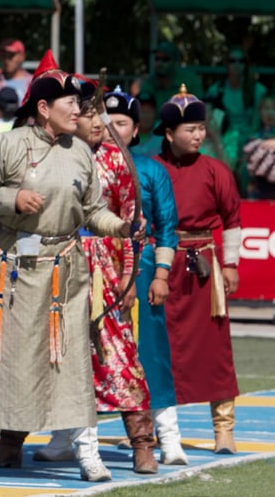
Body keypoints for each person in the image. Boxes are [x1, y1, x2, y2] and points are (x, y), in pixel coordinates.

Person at [0, 58, 136, 481]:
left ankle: (87, 452)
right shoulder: (9, 144)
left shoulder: (81, 154)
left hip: (63, 274)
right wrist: (12, 200)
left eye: (78, 104)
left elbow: (93, 211)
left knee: (71, 362)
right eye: (70, 103)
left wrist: (120, 227)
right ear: (42, 108)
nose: (78, 111)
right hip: (9, 267)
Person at [33, 83, 157, 477]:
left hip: (103, 267)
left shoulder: (117, 162)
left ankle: (142, 444)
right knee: (36, 349)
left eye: (103, 114)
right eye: (90, 114)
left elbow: (131, 218)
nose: (99, 122)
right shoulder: (54, 154)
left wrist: (129, 277)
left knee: (119, 355)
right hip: (54, 262)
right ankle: (11, 441)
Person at [99, 88, 188, 465]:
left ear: (136, 130)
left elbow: (167, 227)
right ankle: (66, 435)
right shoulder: (85, 165)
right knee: (87, 355)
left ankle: (168, 437)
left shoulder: (151, 170)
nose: (112, 129)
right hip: (91, 266)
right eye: (106, 122)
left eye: (121, 123)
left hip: (141, 265)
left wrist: (161, 275)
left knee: (149, 354)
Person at [154, 84, 241, 456]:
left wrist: (232, 264)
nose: (199, 135)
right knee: (156, 348)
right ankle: (153, 429)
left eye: (201, 128)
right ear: (170, 133)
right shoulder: (151, 169)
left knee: (215, 348)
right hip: (160, 263)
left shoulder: (216, 171)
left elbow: (232, 219)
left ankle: (224, 429)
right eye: (190, 129)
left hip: (203, 266)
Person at [0, 38, 32, 126]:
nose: (6, 60)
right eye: (3, 56)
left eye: (11, 56)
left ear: (22, 57)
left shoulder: (33, 83)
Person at [139, 41, 199, 108]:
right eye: (157, 59)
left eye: (165, 59)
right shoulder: (148, 84)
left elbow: (200, 109)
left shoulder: (190, 81)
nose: (159, 63)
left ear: (175, 62)